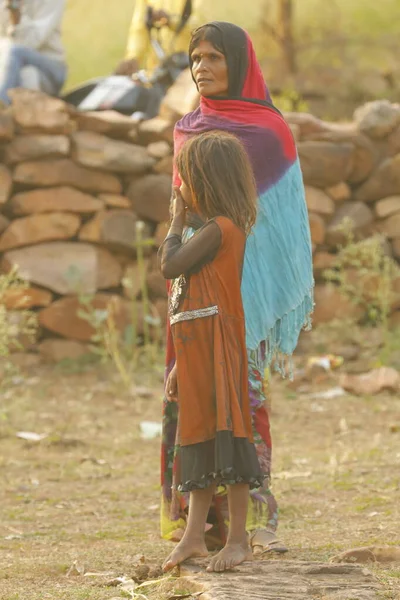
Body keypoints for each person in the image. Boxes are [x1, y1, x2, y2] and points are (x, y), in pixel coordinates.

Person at [161, 21, 314, 561]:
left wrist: (250, 292)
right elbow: (182, 209)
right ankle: (195, 525)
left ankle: (249, 526)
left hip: (241, 291)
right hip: (192, 290)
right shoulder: (188, 127)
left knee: (242, 406)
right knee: (193, 405)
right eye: (194, 57)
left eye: (214, 57)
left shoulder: (269, 133)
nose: (201, 66)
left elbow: (277, 224)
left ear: (241, 63)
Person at [160, 130, 263, 573]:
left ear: (207, 181)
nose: (179, 187)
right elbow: (192, 298)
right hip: (197, 349)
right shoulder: (212, 230)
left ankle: (238, 539)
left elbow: (170, 265)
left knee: (228, 436)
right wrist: (181, 362)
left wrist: (175, 221)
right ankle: (193, 538)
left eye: (184, 179)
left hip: (218, 349)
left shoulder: (221, 229)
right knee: (198, 437)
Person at [0, 0, 67, 105]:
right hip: (14, 63)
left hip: (50, 68)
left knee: (15, 52)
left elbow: (28, 43)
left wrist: (14, 9)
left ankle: (1, 106)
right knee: (26, 75)